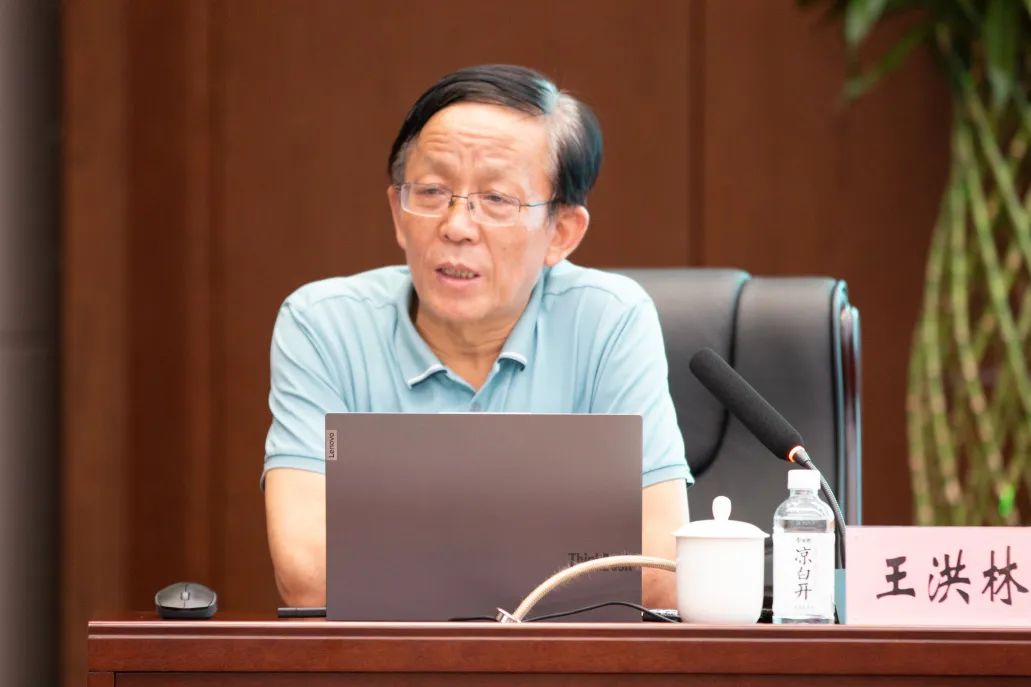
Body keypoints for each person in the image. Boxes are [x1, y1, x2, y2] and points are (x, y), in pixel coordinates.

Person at [263, 64, 693, 611]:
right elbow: (308, 575)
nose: (457, 226)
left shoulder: (610, 321)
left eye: (496, 199)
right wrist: (557, 557)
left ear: (561, 233)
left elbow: (657, 572)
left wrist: (389, 559)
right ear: (397, 212)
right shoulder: (324, 326)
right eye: (432, 191)